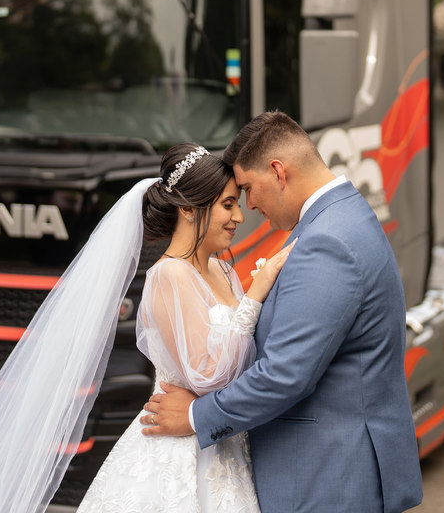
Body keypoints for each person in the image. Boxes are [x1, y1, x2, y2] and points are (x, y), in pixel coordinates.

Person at [0, 143, 290, 513]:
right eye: (228, 204)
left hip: (222, 443)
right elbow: (207, 375)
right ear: (189, 208)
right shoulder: (170, 275)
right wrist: (255, 295)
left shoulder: (222, 270)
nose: (238, 217)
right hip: (183, 454)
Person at [141, 111, 424, 513]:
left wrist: (194, 415)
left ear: (278, 172)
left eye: (247, 189)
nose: (249, 206)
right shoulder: (345, 215)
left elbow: (286, 373)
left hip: (329, 476)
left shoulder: (327, 241)